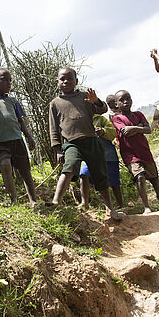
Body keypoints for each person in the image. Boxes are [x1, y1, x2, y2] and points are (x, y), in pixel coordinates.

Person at [48, 67, 120, 220]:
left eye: (70, 78)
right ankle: (56, 201)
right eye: (62, 79)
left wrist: (97, 101)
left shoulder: (85, 97)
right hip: (71, 143)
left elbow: (102, 110)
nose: (66, 81)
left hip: (91, 140)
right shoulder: (55, 103)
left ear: (76, 81)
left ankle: (110, 209)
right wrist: (58, 149)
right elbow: (53, 128)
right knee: (69, 167)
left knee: (100, 174)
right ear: (57, 82)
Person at [0, 67, 37, 206]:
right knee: (5, 165)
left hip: (17, 141)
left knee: (25, 171)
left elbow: (20, 120)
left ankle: (33, 200)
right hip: (0, 143)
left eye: (10, 80)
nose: (8, 83)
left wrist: (29, 137)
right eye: (4, 79)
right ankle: (14, 200)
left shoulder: (13, 101)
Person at [112, 90, 159, 213]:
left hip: (144, 150)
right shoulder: (117, 118)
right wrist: (140, 127)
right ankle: (146, 206)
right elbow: (126, 131)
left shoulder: (138, 114)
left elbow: (148, 129)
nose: (126, 102)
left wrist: (134, 128)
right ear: (116, 104)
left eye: (128, 98)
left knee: (154, 177)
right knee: (139, 176)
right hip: (129, 154)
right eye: (121, 100)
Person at [78, 113, 123, 209]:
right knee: (84, 174)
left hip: (108, 155)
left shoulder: (101, 119)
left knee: (114, 181)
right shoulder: (79, 121)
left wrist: (103, 131)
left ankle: (120, 204)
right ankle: (84, 203)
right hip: (89, 154)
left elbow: (113, 133)